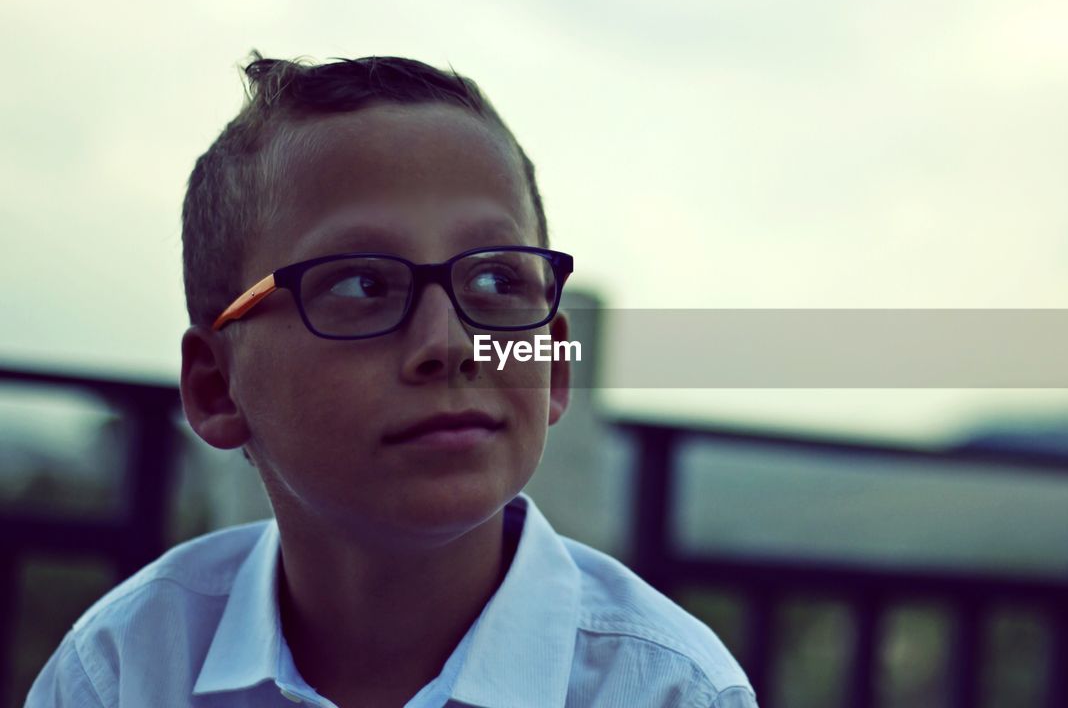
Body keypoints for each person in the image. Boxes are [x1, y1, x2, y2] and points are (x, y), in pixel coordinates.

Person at [26, 54, 756, 708]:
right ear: (218, 389)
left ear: (553, 364)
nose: (449, 344)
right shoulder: (125, 673)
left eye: (498, 278)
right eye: (358, 285)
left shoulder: (669, 691)